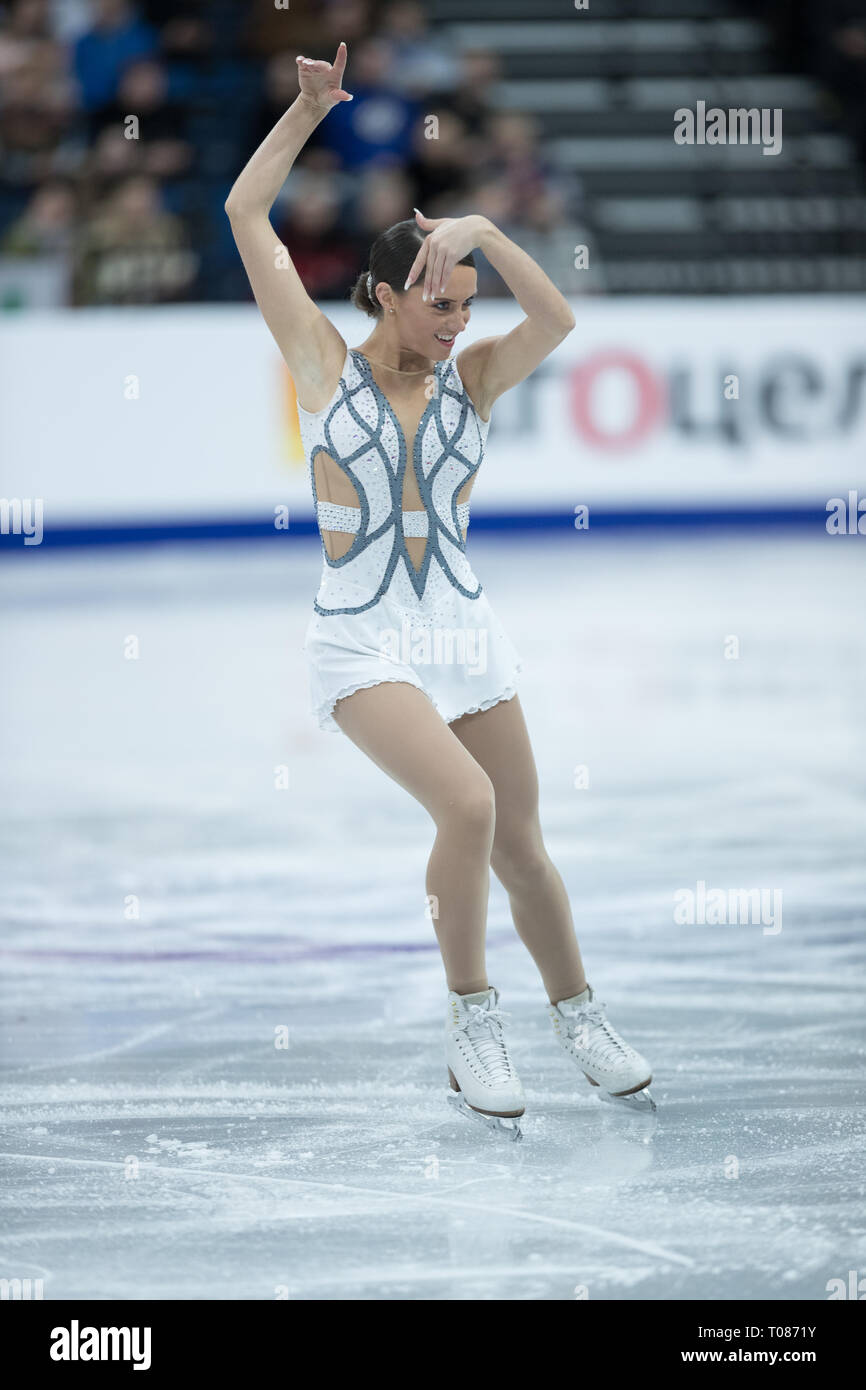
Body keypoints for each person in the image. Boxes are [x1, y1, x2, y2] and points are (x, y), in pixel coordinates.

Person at [225, 43, 654, 1137]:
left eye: (466, 302)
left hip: (464, 630)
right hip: (363, 642)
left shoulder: (474, 377)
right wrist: (309, 113)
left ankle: (580, 1016)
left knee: (521, 845)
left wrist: (487, 235)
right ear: (381, 295)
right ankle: (471, 1024)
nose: (459, 321)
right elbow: (244, 211)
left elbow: (555, 323)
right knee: (464, 805)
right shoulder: (321, 364)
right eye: (439, 306)